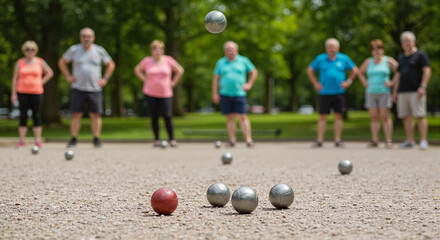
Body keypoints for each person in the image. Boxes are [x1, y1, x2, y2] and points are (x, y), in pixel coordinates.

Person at [58, 27, 115, 148]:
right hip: (78, 88)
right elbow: (62, 62)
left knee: (95, 115)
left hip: (95, 89)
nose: (86, 39)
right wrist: (68, 76)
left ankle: (96, 138)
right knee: (76, 115)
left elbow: (111, 64)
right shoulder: (74, 50)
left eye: (89, 36)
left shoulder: (99, 50)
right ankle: (73, 138)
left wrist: (105, 78)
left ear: (93, 38)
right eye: (84, 36)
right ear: (80, 38)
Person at [306, 38, 358, 148]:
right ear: (326, 48)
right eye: (330, 47)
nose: (332, 49)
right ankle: (319, 140)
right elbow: (309, 70)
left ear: (337, 48)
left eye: (334, 47)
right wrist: (315, 83)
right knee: (322, 116)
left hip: (339, 92)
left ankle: (337, 139)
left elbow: (355, 70)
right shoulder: (320, 59)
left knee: (338, 116)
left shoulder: (344, 58)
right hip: (324, 92)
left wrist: (348, 82)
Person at [134, 40, 184, 147]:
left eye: (160, 49)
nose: (158, 51)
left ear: (163, 50)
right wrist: (144, 79)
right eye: (155, 49)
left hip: (166, 93)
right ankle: (156, 139)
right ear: (151, 50)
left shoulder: (168, 60)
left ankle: (172, 139)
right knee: (154, 117)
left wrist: (174, 82)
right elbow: (137, 70)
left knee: (167, 116)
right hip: (150, 92)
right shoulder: (147, 61)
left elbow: (180, 70)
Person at [212, 41, 258, 148]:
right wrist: (215, 93)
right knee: (229, 117)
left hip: (239, 93)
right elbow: (215, 79)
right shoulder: (221, 62)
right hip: (225, 93)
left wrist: (249, 84)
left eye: (232, 49)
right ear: (225, 52)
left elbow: (254, 72)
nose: (230, 51)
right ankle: (232, 140)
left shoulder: (243, 61)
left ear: (236, 50)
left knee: (242, 116)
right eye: (228, 49)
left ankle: (248, 140)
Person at [392, 31, 431, 150]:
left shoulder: (420, 55)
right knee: (406, 117)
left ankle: (423, 140)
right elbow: (398, 75)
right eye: (404, 41)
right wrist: (395, 91)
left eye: (408, 40)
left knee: (420, 115)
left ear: (413, 42)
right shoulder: (401, 57)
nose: (406, 43)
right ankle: (410, 140)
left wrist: (423, 86)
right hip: (403, 91)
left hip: (416, 90)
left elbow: (427, 71)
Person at [10, 40, 53, 148]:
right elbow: (15, 79)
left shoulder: (39, 61)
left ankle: (37, 140)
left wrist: (42, 81)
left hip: (37, 91)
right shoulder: (19, 62)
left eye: (32, 49)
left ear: (35, 51)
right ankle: (21, 141)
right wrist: (13, 94)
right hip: (22, 92)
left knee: (36, 116)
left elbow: (50, 72)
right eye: (27, 49)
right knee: (23, 116)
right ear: (24, 51)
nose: (30, 51)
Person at [358, 39, 399, 148]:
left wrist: (392, 82)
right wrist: (364, 83)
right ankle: (375, 140)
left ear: (383, 49)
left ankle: (388, 140)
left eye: (378, 48)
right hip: (371, 92)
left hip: (384, 92)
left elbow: (399, 71)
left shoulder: (388, 61)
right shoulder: (368, 62)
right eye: (373, 49)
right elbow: (360, 72)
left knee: (385, 116)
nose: (376, 51)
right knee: (374, 117)